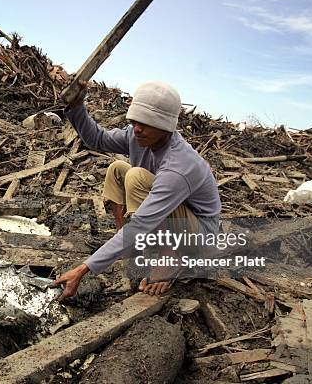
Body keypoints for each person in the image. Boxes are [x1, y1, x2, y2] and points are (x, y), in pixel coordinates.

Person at [53, 81, 221, 300]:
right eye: (135, 122)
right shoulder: (138, 135)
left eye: (147, 123)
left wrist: (83, 269)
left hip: (199, 236)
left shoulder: (179, 165)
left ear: (166, 125)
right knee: (117, 169)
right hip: (170, 219)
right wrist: (77, 107)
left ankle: (169, 260)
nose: (138, 128)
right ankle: (129, 246)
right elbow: (98, 139)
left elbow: (143, 222)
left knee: (136, 177)